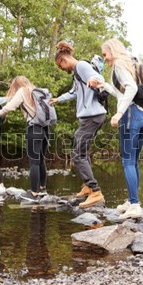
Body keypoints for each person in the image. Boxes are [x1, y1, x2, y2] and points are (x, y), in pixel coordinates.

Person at [91, 38, 143, 219]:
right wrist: (105, 86)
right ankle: (132, 200)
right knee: (133, 161)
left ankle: (134, 205)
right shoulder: (131, 63)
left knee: (127, 161)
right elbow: (122, 93)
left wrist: (118, 113)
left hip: (131, 116)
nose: (105, 58)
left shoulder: (118, 64)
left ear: (113, 51)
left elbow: (131, 89)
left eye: (105, 54)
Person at [50, 41, 106, 208]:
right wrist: (58, 99)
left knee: (77, 153)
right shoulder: (76, 73)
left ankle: (96, 192)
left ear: (64, 60)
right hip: (91, 116)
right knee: (82, 151)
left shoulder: (81, 65)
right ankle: (88, 187)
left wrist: (94, 80)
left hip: (93, 116)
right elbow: (74, 92)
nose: (62, 69)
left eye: (61, 66)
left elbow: (99, 77)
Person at [0, 76, 49, 202]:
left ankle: (34, 193)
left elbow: (10, 107)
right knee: (41, 159)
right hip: (46, 128)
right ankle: (42, 189)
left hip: (34, 127)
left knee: (34, 161)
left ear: (16, 85)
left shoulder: (22, 91)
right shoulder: (38, 91)